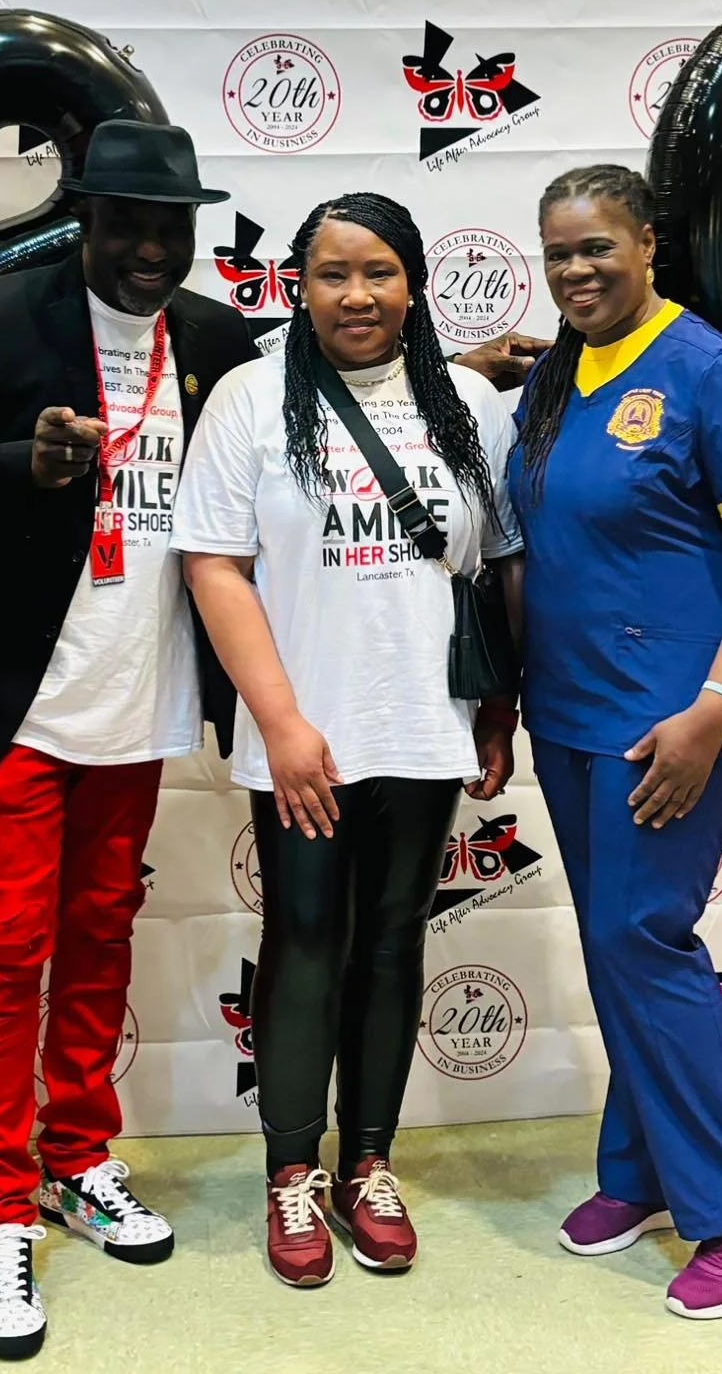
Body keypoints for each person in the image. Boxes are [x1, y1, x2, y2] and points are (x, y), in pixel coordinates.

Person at [0, 120, 255, 1361]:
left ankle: (75, 1158)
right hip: (10, 698)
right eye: (125, 221)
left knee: (96, 933)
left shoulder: (206, 335)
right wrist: (13, 465)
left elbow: (305, 412)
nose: (148, 246)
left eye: (168, 225)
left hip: (137, 699)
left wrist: (457, 364)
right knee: (4, 948)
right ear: (80, 214)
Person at [175, 192, 522, 1288]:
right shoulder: (247, 395)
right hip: (305, 735)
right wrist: (277, 720)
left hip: (426, 725)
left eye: (376, 271)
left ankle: (367, 1159)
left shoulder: (467, 399)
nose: (355, 294)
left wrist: (499, 706)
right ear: (298, 284)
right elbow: (213, 564)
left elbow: (495, 562)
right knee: (305, 940)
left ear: (411, 281)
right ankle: (290, 1168)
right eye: (331, 273)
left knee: (391, 941)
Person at [504, 163, 722, 1323]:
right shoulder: (556, 371)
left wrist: (714, 709)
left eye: (597, 247)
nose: (577, 269)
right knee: (613, 942)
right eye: (558, 251)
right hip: (570, 714)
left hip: (673, 724)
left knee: (643, 933)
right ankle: (638, 1172)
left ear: (646, 243)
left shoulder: (709, 371)